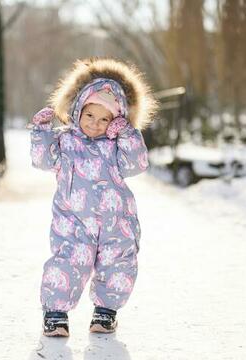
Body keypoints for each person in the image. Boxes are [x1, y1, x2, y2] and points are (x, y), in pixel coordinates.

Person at [29, 58, 157, 337]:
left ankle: (105, 312)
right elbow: (41, 161)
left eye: (105, 119)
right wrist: (40, 132)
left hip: (116, 221)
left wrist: (127, 134)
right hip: (73, 221)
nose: (96, 125)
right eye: (90, 116)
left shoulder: (117, 145)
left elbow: (138, 164)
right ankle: (55, 314)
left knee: (117, 262)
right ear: (77, 111)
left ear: (116, 120)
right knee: (67, 262)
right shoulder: (65, 141)